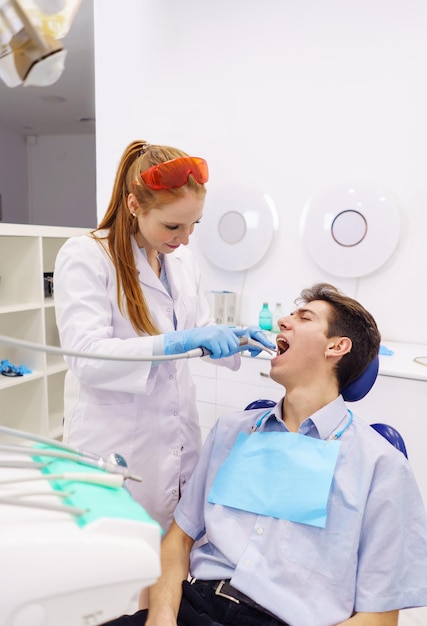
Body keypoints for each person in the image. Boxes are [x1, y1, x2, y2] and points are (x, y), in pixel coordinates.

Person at [103, 282, 427, 626]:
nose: (284, 321)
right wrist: (162, 616)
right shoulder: (231, 431)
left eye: (303, 317)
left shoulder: (382, 467)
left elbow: (379, 618)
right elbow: (178, 540)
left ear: (337, 346)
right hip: (193, 605)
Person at [54, 140, 275, 533]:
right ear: (134, 205)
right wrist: (175, 342)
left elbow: (200, 328)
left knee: (165, 559)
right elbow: (86, 357)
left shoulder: (180, 259)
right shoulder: (87, 256)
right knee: (117, 563)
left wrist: (236, 338)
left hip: (175, 438)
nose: (185, 238)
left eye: (194, 225)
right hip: (114, 441)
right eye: (173, 225)